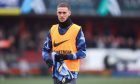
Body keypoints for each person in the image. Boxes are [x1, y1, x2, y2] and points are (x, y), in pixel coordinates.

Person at [42, 2, 86, 84]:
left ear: (69, 13)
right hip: (56, 71)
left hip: (70, 72)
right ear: (56, 13)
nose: (62, 15)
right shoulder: (52, 29)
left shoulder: (77, 29)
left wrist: (66, 56)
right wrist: (47, 59)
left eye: (64, 13)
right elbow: (45, 50)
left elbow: (83, 53)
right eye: (59, 13)